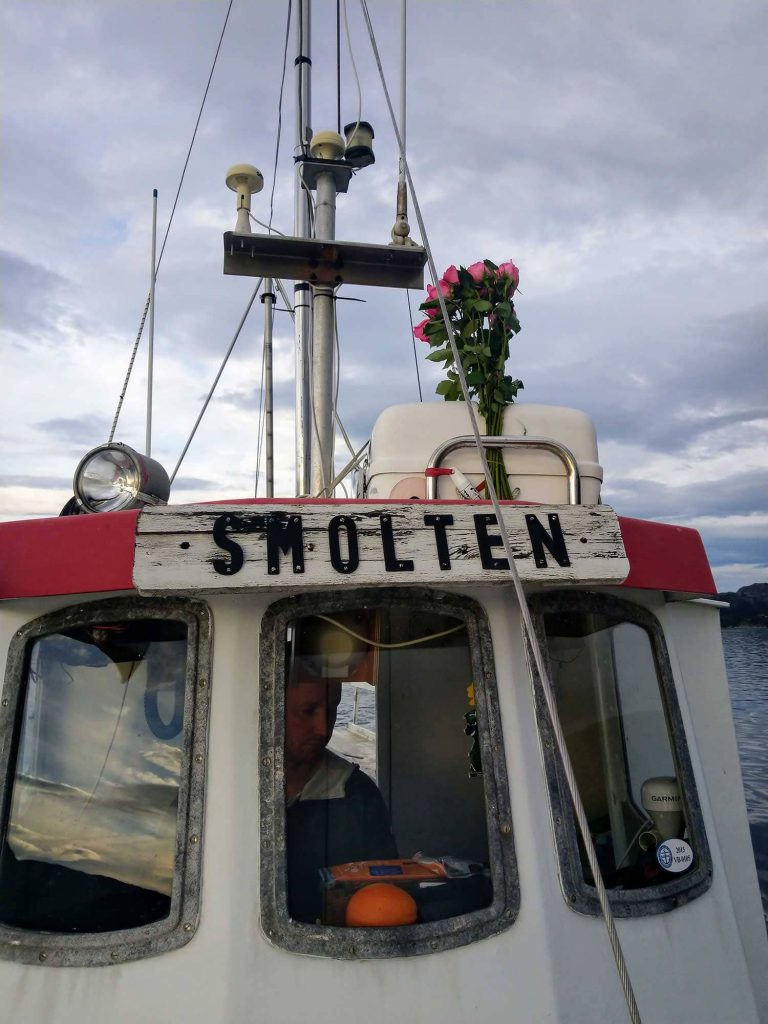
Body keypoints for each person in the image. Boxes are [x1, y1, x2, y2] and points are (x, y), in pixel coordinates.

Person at [285, 671, 397, 924]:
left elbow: (384, 891)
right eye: (308, 711)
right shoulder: (227, 786)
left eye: (332, 709)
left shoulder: (358, 795)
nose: (324, 728)